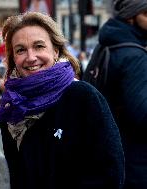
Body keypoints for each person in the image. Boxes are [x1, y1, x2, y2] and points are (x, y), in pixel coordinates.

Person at [0, 12, 125, 189]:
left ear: (55, 50)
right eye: (21, 50)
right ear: (13, 58)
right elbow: (16, 178)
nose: (31, 57)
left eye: (39, 46)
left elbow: (111, 174)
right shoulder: (12, 110)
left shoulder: (83, 96)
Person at [94, 0, 147, 188]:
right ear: (131, 17)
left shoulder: (104, 46)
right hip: (135, 163)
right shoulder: (134, 55)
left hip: (106, 156)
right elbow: (142, 115)